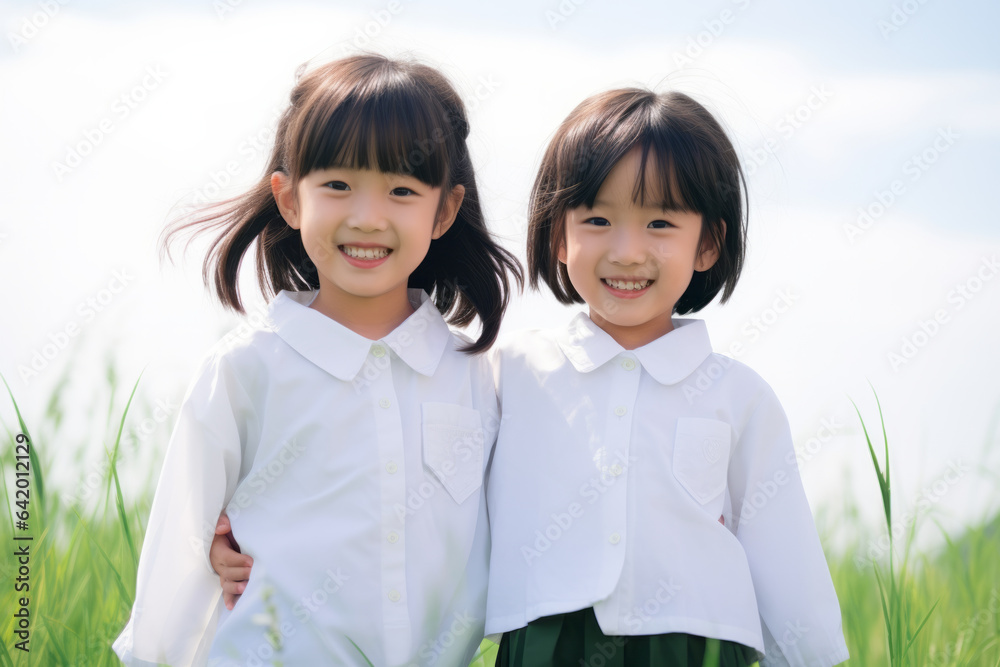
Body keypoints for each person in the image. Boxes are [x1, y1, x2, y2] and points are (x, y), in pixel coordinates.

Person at [113, 53, 521, 667]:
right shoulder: (249, 368)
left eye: (402, 190)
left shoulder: (479, 374)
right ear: (289, 198)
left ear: (443, 211)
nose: (366, 217)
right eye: (337, 185)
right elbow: (182, 535)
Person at [485, 88, 850, 666]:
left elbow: (783, 548)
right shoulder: (510, 376)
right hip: (549, 642)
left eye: (660, 222)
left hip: (696, 643)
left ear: (707, 243)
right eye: (598, 220)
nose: (628, 252)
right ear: (559, 234)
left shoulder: (738, 396)